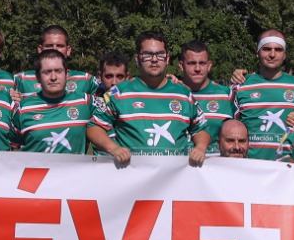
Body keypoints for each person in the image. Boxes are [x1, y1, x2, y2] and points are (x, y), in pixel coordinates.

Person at [87, 32, 209, 165]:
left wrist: (200, 148)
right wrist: (114, 148)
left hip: (175, 180)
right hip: (133, 179)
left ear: (167, 59)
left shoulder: (184, 94)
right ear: (137, 58)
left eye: (160, 54)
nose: (154, 59)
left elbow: (201, 128)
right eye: (148, 54)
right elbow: (94, 127)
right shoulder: (118, 93)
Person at [231, 29, 294, 161]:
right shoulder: (241, 85)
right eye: (266, 49)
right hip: (251, 166)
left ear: (285, 54)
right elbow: (229, 127)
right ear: (257, 52)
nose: (272, 54)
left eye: (278, 49)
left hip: (291, 168)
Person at [12, 49, 92, 154]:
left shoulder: (85, 102)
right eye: (47, 72)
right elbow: (9, 146)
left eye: (58, 71)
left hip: (75, 170)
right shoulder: (23, 108)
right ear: (38, 77)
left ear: (66, 74)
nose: (53, 77)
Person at [177, 40, 234, 154]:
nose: (197, 68)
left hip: (216, 167)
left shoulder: (226, 94)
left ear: (209, 66)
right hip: (179, 167)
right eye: (192, 63)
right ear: (181, 66)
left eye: (202, 63)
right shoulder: (172, 94)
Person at [14, 25, 97, 101]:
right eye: (49, 45)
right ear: (40, 49)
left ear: (68, 50)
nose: (54, 49)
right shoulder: (21, 80)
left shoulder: (87, 81)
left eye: (60, 46)